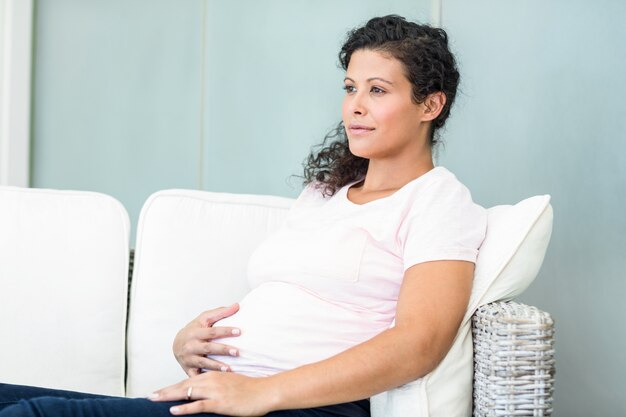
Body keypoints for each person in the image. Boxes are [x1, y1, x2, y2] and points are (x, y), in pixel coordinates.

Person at [0, 14, 486, 417]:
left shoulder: (437, 200)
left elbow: (420, 343)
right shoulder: (323, 195)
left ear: (431, 104)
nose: (354, 107)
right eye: (350, 87)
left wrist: (261, 391)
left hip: (304, 409)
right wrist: (189, 346)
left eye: (377, 90)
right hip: (227, 397)